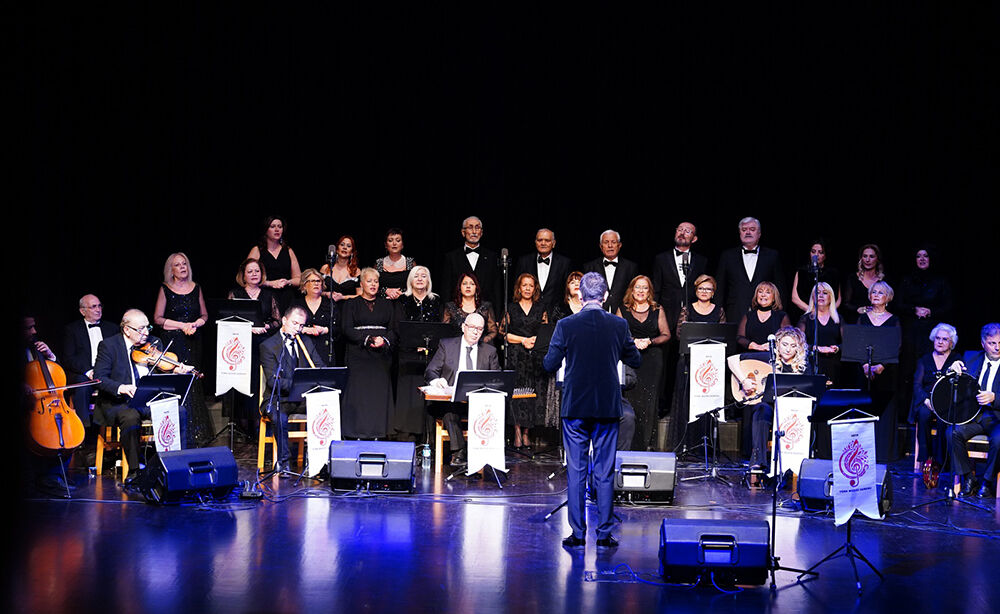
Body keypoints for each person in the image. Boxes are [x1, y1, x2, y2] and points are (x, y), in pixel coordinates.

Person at [543, 272, 641, 549]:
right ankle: (604, 533)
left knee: (576, 470)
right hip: (607, 407)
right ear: (605, 296)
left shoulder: (566, 324)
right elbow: (635, 359)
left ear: (580, 295)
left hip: (575, 407)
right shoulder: (619, 325)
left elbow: (549, 364)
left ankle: (577, 534)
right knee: (604, 471)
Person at [94, 309, 191, 474]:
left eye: (147, 327)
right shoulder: (109, 346)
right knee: (130, 417)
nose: (146, 333)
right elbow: (99, 377)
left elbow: (161, 370)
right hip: (120, 402)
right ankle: (134, 471)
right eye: (141, 329)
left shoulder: (154, 343)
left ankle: (175, 465)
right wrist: (121, 387)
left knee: (178, 411)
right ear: (127, 330)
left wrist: (175, 371)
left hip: (149, 400)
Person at [728, 326, 809, 471]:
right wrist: (744, 380)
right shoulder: (769, 358)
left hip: (792, 409)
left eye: (793, 346)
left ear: (799, 348)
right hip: (770, 406)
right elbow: (732, 359)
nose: (788, 349)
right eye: (784, 344)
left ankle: (799, 462)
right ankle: (758, 460)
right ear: (777, 344)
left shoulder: (804, 367)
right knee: (761, 409)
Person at [425, 312, 501, 466]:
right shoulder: (447, 345)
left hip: (478, 404)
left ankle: (482, 455)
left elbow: (497, 380)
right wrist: (437, 381)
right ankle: (459, 453)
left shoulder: (489, 351)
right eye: (472, 327)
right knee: (449, 411)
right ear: (463, 327)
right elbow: (430, 371)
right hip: (450, 401)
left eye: (479, 329)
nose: (475, 332)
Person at [153, 252, 211, 445]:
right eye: (178, 265)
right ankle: (177, 431)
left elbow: (204, 315)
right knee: (178, 379)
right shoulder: (165, 289)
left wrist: (195, 324)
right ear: (171, 270)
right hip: (174, 340)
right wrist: (182, 325)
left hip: (193, 339)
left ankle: (197, 433)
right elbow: (158, 319)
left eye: (184, 263)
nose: (182, 267)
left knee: (193, 379)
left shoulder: (196, 288)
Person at [259, 305, 325, 473]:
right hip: (278, 399)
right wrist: (301, 385)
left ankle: (321, 461)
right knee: (279, 417)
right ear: (284, 320)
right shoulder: (269, 346)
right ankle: (284, 463)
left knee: (327, 408)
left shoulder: (306, 342)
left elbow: (320, 368)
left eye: (301, 325)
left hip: (302, 399)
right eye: (294, 323)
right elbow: (273, 382)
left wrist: (316, 382)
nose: (298, 329)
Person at [226, 258, 281, 440]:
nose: (254, 274)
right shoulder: (235, 293)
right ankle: (242, 426)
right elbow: (228, 319)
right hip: (240, 346)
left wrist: (265, 327)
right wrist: (247, 329)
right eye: (249, 271)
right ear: (243, 275)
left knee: (259, 383)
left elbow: (277, 321)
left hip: (262, 344)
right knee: (243, 382)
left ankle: (259, 424)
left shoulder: (268, 295)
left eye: (257, 271)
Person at [341, 268, 397, 439]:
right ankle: (355, 431)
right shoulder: (351, 304)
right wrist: (367, 339)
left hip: (381, 356)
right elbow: (346, 329)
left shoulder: (387, 304)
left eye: (376, 281)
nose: (373, 284)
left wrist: (384, 340)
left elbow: (394, 329)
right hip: (358, 355)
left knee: (378, 394)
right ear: (361, 283)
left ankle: (379, 431)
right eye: (369, 281)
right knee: (358, 393)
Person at [671, 275, 725, 451]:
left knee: (707, 403)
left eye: (708, 289)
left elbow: (723, 335)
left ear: (713, 292)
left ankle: (705, 447)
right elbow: (680, 334)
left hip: (710, 364)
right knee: (687, 404)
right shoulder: (687, 310)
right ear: (696, 290)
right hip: (690, 362)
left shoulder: (719, 311)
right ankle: (686, 445)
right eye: (701, 288)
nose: (704, 292)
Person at [616, 275, 670, 451]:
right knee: (631, 399)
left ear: (649, 291)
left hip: (652, 360)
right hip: (630, 359)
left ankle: (647, 444)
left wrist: (650, 341)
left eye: (645, 288)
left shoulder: (657, 309)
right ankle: (629, 444)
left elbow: (666, 334)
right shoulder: (622, 309)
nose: (641, 291)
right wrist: (633, 341)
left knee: (649, 401)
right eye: (637, 287)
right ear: (631, 290)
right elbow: (617, 334)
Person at [950, 323, 1000, 498]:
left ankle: (987, 481)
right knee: (952, 432)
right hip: (974, 417)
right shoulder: (971, 357)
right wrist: (952, 370)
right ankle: (969, 478)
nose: (997, 347)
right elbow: (956, 381)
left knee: (999, 439)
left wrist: (995, 397)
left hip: (997, 418)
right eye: (992, 343)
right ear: (983, 344)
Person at [500, 273, 549, 449]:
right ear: (519, 288)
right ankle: (517, 432)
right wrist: (523, 340)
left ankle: (527, 433)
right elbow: (503, 333)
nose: (527, 288)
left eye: (531, 285)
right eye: (524, 285)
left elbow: (546, 332)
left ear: (535, 288)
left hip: (534, 356)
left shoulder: (541, 308)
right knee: (517, 394)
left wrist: (535, 340)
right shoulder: (511, 308)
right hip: (516, 356)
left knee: (532, 394)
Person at [393, 266, 442, 441]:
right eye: (416, 276)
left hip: (431, 355)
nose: (420, 279)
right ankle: (407, 436)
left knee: (428, 396)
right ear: (410, 280)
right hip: (408, 356)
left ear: (428, 280)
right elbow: (398, 327)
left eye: (424, 276)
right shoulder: (403, 301)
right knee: (409, 395)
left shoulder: (435, 301)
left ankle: (428, 438)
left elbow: (440, 328)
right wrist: (415, 346)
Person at [856, 280, 901, 462]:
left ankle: (883, 454)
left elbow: (896, 345)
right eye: (873, 292)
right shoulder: (862, 318)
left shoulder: (894, 320)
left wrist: (882, 365)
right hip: (864, 371)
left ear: (888, 298)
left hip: (887, 371)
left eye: (880, 292)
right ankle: (861, 451)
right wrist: (865, 365)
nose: (876, 295)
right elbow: (857, 343)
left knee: (885, 411)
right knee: (864, 408)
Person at [910, 323, 960, 488]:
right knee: (923, 414)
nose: (940, 342)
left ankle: (940, 460)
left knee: (943, 419)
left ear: (951, 343)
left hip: (946, 402)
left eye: (944, 339)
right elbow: (917, 385)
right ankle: (926, 459)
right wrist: (926, 400)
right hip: (926, 400)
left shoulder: (956, 359)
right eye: (937, 338)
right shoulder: (924, 360)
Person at [62, 294, 117, 428]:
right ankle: (83, 429)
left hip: (107, 372)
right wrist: (88, 371)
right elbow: (69, 358)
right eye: (93, 307)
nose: (98, 310)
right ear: (83, 311)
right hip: (85, 373)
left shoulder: (112, 328)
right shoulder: (72, 330)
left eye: (99, 306)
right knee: (82, 386)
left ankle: (116, 424)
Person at [715, 217, 786, 323]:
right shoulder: (727, 256)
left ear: (759, 233)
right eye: (744, 230)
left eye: (752, 229)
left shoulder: (772, 256)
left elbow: (780, 286)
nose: (748, 232)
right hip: (735, 312)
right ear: (740, 233)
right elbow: (720, 286)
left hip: (766, 313)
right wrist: (718, 312)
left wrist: (779, 312)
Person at [652, 222, 709, 332]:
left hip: (693, 314)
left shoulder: (701, 261)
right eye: (680, 229)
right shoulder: (661, 258)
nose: (682, 233)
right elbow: (656, 288)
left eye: (687, 231)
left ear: (694, 239)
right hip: (667, 314)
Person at [439, 216, 503, 309]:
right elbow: (446, 289)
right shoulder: (451, 257)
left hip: (486, 312)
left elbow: (496, 290)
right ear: (463, 232)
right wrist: (446, 313)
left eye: (477, 227)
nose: (474, 231)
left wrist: (497, 314)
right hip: (458, 311)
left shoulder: (492, 257)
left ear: (481, 232)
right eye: (470, 227)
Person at [320, 234, 361, 365]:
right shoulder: (326, 268)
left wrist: (343, 297)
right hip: (328, 310)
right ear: (336, 248)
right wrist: (327, 294)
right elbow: (316, 290)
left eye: (348, 246)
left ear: (352, 251)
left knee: (344, 346)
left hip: (347, 311)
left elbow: (360, 295)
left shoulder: (356, 271)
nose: (344, 248)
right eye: (342, 245)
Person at [247, 216, 302, 313]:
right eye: (272, 226)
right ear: (266, 230)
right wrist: (270, 283)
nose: (277, 229)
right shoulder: (257, 250)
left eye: (279, 227)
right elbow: (246, 277)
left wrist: (287, 282)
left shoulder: (288, 250)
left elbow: (299, 279)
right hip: (265, 296)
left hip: (286, 297)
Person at [514, 228, 572, 314]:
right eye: (540, 240)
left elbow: (567, 291)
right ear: (535, 242)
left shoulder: (564, 263)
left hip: (556, 314)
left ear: (553, 243)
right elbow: (517, 288)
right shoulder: (524, 261)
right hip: (529, 315)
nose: (543, 243)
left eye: (547, 240)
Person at [797, 282, 843, 386]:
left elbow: (848, 343)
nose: (821, 295)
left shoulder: (838, 319)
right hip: (812, 363)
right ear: (813, 297)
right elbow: (798, 343)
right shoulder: (805, 319)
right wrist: (815, 348)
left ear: (831, 297)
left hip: (834, 365)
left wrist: (836, 348)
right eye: (817, 293)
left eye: (825, 293)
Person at [582, 229, 638, 314]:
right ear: (601, 246)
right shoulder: (589, 267)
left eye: (613, 242)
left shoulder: (630, 267)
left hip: (624, 314)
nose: (610, 245)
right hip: (597, 313)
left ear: (619, 245)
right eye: (606, 242)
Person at [291, 268, 336, 366]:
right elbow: (289, 325)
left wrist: (324, 330)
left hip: (325, 349)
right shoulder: (297, 304)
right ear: (304, 285)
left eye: (318, 281)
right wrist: (304, 329)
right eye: (312, 281)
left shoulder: (329, 303)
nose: (316, 284)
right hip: (302, 348)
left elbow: (339, 327)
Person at [441, 272, 499, 345]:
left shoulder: (486, 307)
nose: (468, 286)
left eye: (472, 284)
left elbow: (493, 331)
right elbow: (444, 331)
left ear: (476, 287)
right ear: (460, 287)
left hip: (480, 347)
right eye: (464, 284)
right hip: (456, 347)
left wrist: (482, 341)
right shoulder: (450, 307)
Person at [790, 239, 842, 317]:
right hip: (806, 313)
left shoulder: (832, 273)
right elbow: (795, 298)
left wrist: (827, 312)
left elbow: (838, 299)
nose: (816, 255)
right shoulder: (802, 272)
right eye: (813, 251)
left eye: (820, 252)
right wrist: (811, 310)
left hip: (827, 315)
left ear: (825, 255)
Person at [737, 281, 792, 351]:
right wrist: (756, 346)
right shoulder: (748, 316)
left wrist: (772, 345)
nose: (763, 295)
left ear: (774, 298)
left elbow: (788, 338)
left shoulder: (781, 316)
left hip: (772, 355)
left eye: (768, 292)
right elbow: (740, 337)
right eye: (760, 292)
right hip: (751, 355)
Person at [843, 243, 886, 322]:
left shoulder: (883, 280)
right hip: (857, 320)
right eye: (865, 256)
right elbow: (846, 304)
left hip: (878, 320)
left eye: (871, 256)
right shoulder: (853, 278)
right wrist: (858, 309)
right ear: (861, 259)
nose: (867, 260)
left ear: (877, 259)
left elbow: (890, 304)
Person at [375, 228, 415, 301]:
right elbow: (372, 285)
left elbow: (416, 286)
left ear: (402, 244)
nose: (394, 243)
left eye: (398, 240)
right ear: (386, 245)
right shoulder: (378, 263)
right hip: (382, 302)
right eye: (390, 240)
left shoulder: (410, 262)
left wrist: (401, 293)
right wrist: (385, 290)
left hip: (405, 303)